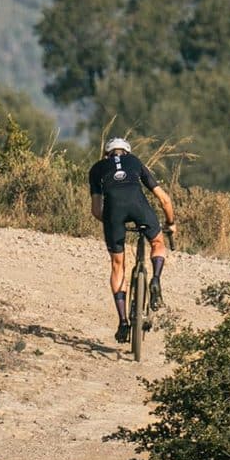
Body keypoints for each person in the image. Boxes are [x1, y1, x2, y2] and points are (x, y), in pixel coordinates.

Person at [88, 136, 177, 345]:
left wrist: (112, 223)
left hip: (114, 213)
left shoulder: (97, 168)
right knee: (157, 243)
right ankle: (155, 278)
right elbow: (165, 200)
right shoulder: (135, 162)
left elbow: (96, 210)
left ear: (106, 154)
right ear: (127, 152)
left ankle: (123, 322)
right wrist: (171, 223)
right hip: (139, 208)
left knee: (117, 265)